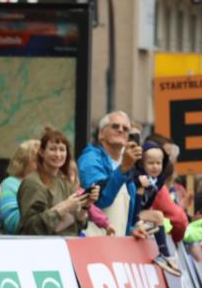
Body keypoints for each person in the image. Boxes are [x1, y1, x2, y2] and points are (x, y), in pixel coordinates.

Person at [77, 110, 142, 236]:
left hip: (115, 243)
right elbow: (99, 200)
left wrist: (132, 230)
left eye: (125, 128)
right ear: (101, 134)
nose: (121, 130)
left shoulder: (125, 162)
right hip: (93, 241)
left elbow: (124, 211)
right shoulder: (90, 158)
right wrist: (123, 169)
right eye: (115, 126)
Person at [17, 128, 91, 236]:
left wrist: (85, 205)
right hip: (41, 248)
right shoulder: (32, 183)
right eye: (52, 149)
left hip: (65, 246)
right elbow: (32, 228)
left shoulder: (64, 182)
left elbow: (76, 226)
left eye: (62, 149)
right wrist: (65, 207)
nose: (58, 154)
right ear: (42, 152)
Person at [128, 142, 181, 275]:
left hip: (140, 212)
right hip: (129, 214)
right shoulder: (136, 176)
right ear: (142, 163)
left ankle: (165, 254)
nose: (155, 167)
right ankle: (137, 223)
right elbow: (133, 196)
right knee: (155, 213)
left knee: (158, 215)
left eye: (159, 163)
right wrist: (138, 184)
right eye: (151, 163)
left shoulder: (158, 179)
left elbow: (149, 201)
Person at [0, 139, 39, 234]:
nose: (43, 164)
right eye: (37, 160)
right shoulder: (9, 184)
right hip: (16, 245)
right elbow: (12, 223)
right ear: (22, 162)